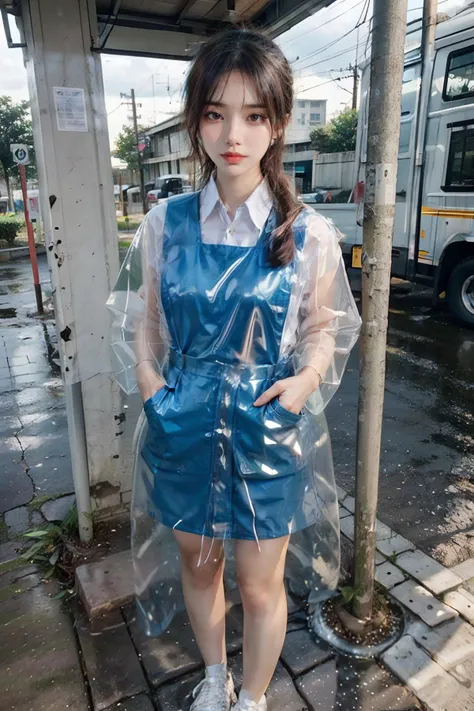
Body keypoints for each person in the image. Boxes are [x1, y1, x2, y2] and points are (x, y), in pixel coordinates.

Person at [107, 25, 361, 711]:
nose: (233, 133)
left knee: (259, 582)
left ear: (277, 124)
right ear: (196, 121)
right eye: (216, 113)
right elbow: (144, 317)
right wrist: (149, 378)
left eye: (253, 114)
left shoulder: (308, 233)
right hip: (182, 417)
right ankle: (215, 677)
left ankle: (252, 698)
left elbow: (326, 327)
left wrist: (305, 382)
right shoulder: (164, 223)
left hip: (265, 423)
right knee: (199, 565)